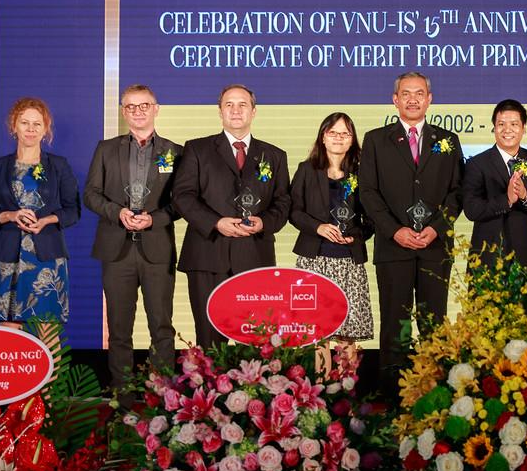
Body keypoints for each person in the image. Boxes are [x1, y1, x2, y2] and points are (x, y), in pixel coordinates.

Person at [358, 71, 463, 387]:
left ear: (430, 99)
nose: (413, 98)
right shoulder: (376, 140)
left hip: (434, 248)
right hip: (394, 250)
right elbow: (368, 192)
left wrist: (436, 228)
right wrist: (394, 231)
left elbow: (457, 192)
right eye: (406, 93)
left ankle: (435, 397)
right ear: (395, 100)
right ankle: (394, 398)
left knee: (434, 324)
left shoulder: (447, 140)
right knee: (397, 325)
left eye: (420, 93)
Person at [172, 84, 291, 349]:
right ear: (220, 111)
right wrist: (215, 222)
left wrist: (264, 223)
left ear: (254, 111)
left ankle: (251, 391)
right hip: (207, 255)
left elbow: (283, 202)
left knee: (256, 338)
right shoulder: (197, 149)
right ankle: (213, 390)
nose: (236, 110)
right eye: (229, 105)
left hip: (254, 256)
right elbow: (182, 196)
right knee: (209, 339)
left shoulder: (274, 155)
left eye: (242, 105)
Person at [83, 84, 182, 393]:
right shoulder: (105, 148)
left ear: (156, 108)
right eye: (131, 106)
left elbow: (182, 202)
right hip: (116, 250)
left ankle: (164, 398)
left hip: (157, 249)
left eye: (144, 105)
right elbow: (91, 194)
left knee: (162, 328)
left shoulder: (176, 152)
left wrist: (155, 218)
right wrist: (117, 212)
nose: (138, 112)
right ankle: (121, 397)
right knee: (119, 331)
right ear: (123, 111)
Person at [0, 97, 80, 324]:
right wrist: (10, 216)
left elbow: (73, 210)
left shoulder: (58, 165)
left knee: (47, 329)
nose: (31, 129)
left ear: (45, 130)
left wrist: (47, 220)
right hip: (7, 258)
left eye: (37, 124)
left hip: (47, 258)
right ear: (14, 125)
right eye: (25, 123)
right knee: (9, 333)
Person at [290, 112, 374, 342]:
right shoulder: (307, 170)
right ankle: (321, 379)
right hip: (314, 260)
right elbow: (294, 211)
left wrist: (356, 236)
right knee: (317, 333)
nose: (339, 138)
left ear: (352, 139)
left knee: (348, 334)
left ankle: (347, 379)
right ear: (323, 137)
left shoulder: (362, 173)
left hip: (350, 261)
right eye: (333, 133)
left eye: (345, 133)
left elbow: (372, 217)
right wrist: (318, 227)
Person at [462, 99, 527, 272]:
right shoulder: (477, 163)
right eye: (501, 124)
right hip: (486, 258)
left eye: (514, 124)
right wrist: (507, 200)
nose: (507, 130)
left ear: (524, 128)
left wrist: (525, 196)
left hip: (525, 257)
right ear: (494, 128)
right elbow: (471, 209)